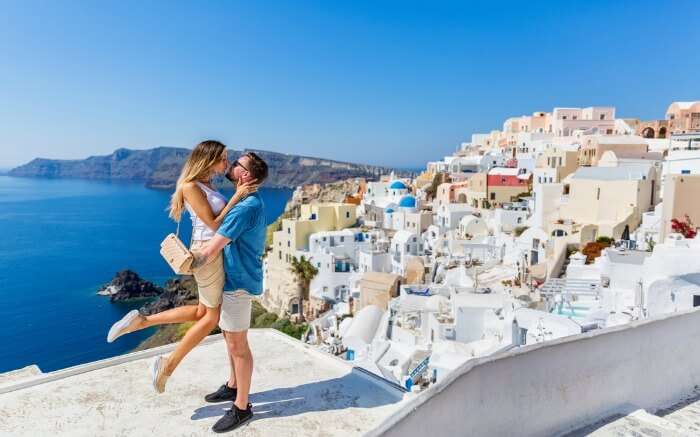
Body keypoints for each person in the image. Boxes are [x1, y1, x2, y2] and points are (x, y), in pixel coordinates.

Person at [106, 140, 256, 393]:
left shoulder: (206, 185)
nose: (226, 164)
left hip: (212, 253)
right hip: (208, 255)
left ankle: (141, 321)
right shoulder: (190, 187)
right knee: (211, 318)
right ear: (209, 159)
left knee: (201, 312)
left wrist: (237, 196)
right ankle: (168, 365)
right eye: (223, 158)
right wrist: (238, 198)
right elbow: (215, 225)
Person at [189, 151, 268, 433]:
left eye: (237, 164)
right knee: (228, 338)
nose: (232, 165)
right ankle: (234, 386)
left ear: (245, 175)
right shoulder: (245, 201)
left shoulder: (247, 207)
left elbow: (212, 247)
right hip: (231, 279)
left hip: (239, 282)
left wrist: (186, 261)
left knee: (238, 346)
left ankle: (242, 408)